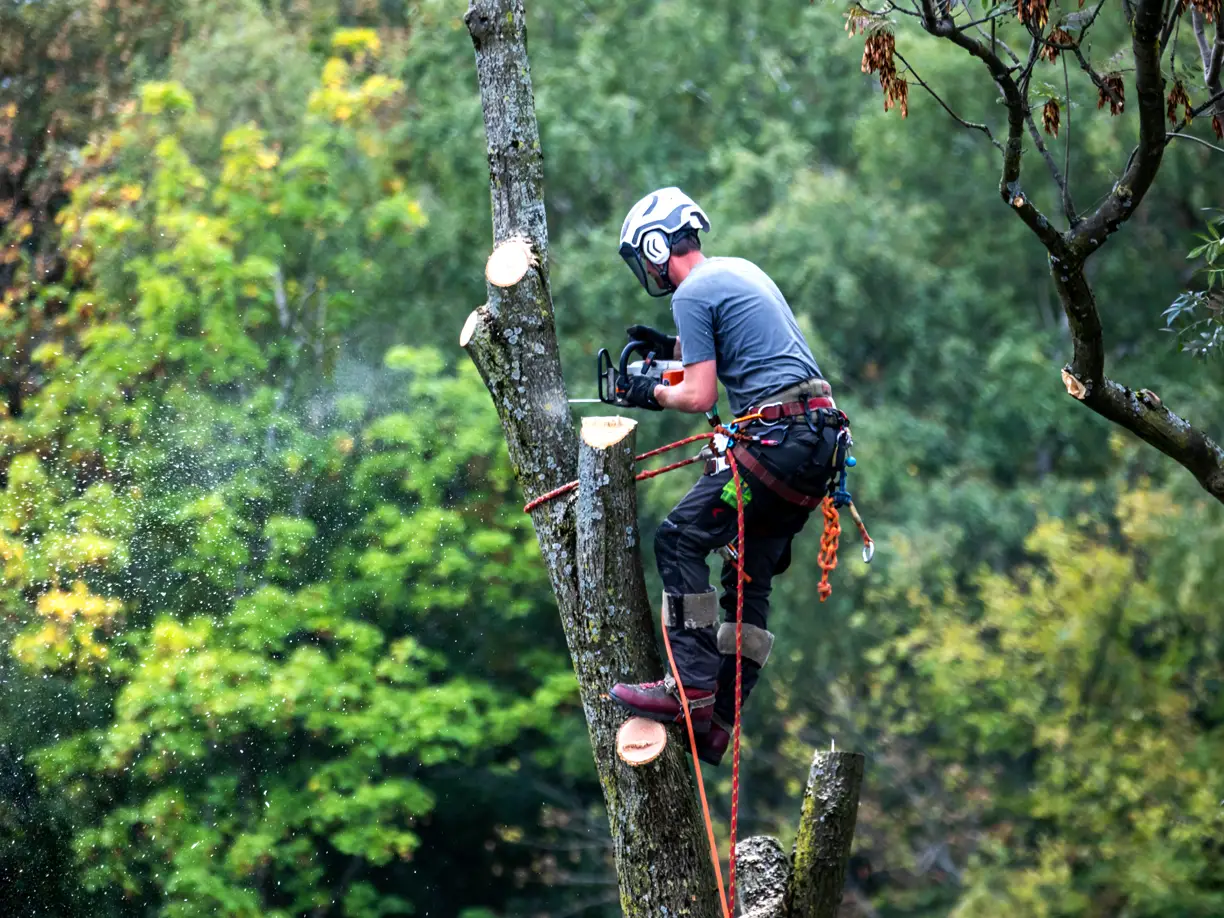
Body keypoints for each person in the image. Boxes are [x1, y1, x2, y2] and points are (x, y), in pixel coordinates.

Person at [608, 186, 846, 766]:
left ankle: (689, 688)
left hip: (779, 442)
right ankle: (718, 724)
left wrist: (646, 390)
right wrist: (669, 349)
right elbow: (734, 352)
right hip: (817, 444)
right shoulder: (739, 270)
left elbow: (698, 393)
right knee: (747, 574)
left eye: (645, 257)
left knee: (679, 538)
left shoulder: (691, 291)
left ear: (657, 247)